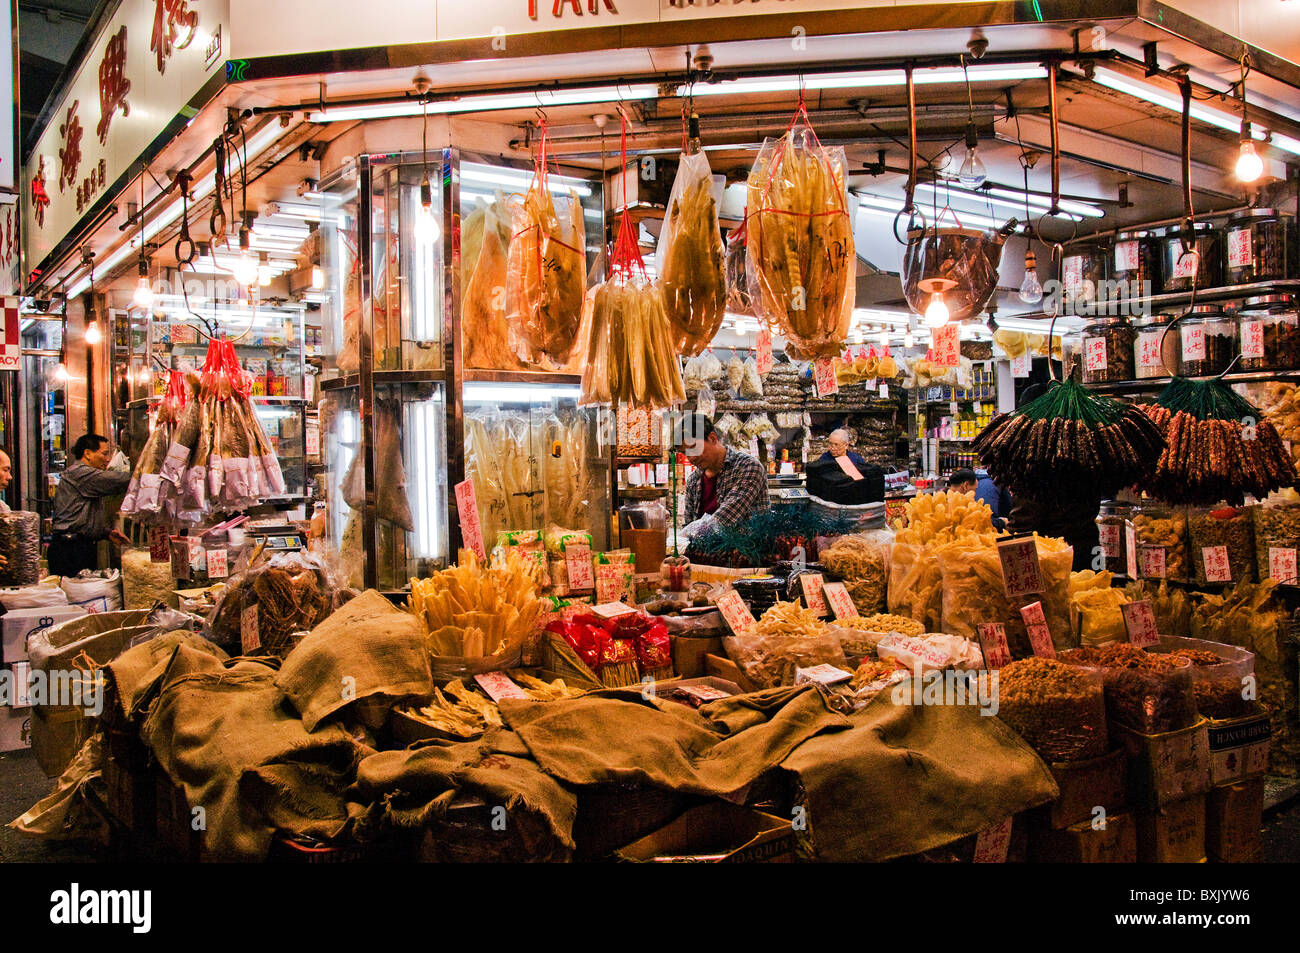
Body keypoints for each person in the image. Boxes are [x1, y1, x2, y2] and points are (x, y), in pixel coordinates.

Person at [1004, 383, 1105, 571]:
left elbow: (1025, 522)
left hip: (1057, 559)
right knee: (1095, 593)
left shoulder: (1036, 458)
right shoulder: (1085, 445)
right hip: (1090, 548)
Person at [47, 433, 132, 578]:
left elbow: (82, 515)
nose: (107, 459)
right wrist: (148, 474)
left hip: (80, 547)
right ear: (87, 453)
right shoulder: (80, 473)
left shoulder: (84, 476)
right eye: (104, 454)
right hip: (69, 550)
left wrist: (106, 533)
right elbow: (117, 481)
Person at [672, 413, 769, 534]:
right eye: (686, 453)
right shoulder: (694, 480)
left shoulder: (747, 466)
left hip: (746, 550)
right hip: (704, 552)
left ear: (712, 438)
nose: (691, 458)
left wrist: (687, 534)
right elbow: (689, 523)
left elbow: (724, 519)